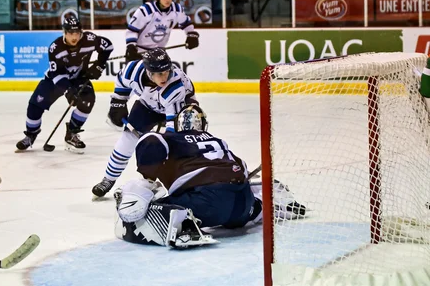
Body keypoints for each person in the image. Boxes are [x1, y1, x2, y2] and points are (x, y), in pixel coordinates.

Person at [112, 104, 307, 248]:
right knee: (240, 197)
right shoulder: (219, 141)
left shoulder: (172, 138)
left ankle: (183, 223)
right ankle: (267, 203)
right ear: (204, 124)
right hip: (242, 204)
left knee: (152, 206)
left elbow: (151, 140)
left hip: (205, 204)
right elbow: (243, 168)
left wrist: (147, 180)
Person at [91, 48, 197, 198]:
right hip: (148, 105)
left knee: (182, 144)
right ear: (149, 72)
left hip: (182, 107)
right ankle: (108, 179)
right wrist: (118, 102)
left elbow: (171, 129)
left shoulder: (174, 87)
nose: (165, 76)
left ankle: (186, 182)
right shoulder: (132, 71)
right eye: (160, 73)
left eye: (167, 71)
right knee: (128, 139)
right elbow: (122, 80)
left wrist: (165, 144)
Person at [16, 17, 114, 153]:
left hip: (79, 78)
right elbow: (57, 74)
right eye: (70, 33)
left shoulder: (90, 40)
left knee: (87, 101)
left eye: (76, 33)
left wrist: (100, 65)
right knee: (35, 106)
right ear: (64, 32)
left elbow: (108, 46)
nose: (74, 37)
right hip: (55, 80)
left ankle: (71, 134)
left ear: (81, 32)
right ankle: (31, 135)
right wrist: (69, 90)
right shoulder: (55, 48)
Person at [124, 0, 199, 63]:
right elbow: (132, 30)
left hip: (159, 53)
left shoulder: (177, 9)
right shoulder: (146, 10)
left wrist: (191, 35)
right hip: (140, 52)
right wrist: (131, 46)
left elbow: (186, 23)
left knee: (165, 75)